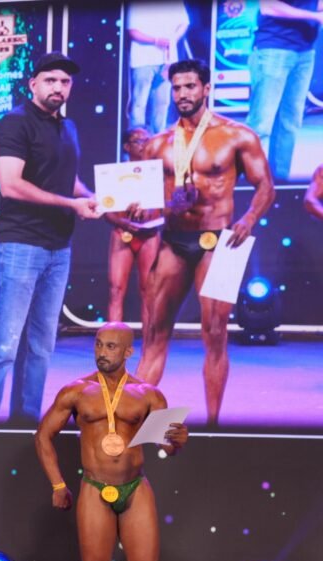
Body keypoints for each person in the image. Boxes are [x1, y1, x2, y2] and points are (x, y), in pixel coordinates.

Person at [35, 323, 189, 561]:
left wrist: (178, 441)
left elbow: (167, 446)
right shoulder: (76, 391)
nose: (102, 353)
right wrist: (58, 484)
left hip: (134, 489)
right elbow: (43, 436)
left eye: (111, 347)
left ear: (128, 352)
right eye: (99, 345)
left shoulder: (149, 395)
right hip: (94, 488)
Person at [135, 60, 274, 426]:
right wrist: (144, 207)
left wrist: (248, 219)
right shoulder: (157, 144)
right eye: (177, 88)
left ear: (206, 89)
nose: (182, 94)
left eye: (190, 87)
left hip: (221, 243)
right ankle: (132, 424)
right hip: (174, 240)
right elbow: (145, 200)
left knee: (214, 332)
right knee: (154, 332)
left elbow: (265, 186)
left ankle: (213, 426)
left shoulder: (236, 135)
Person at [0, 52, 100, 423]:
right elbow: (11, 185)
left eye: (65, 82)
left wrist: (95, 199)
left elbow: (68, 181)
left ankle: (25, 424)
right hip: (18, 246)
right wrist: (71, 204)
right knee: (4, 345)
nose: (58, 87)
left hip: (58, 249)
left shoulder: (67, 127)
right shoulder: (15, 123)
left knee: (41, 346)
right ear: (33, 85)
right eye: (50, 80)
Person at [245, 0, 323, 182]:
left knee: (290, 122)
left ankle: (280, 182)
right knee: (261, 123)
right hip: (274, 49)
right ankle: (251, 184)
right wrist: (315, 17)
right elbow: (268, 7)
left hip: (305, 51)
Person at [105, 127, 163, 325]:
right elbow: (107, 211)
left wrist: (152, 210)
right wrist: (121, 222)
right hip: (122, 233)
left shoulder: (158, 173)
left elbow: (170, 205)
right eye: (138, 141)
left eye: (147, 140)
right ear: (126, 147)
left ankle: (149, 345)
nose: (143, 144)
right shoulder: (114, 174)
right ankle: (113, 343)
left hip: (150, 235)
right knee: (116, 290)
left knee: (149, 291)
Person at [126, 1, 190, 134]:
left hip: (168, 61)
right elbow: (132, 31)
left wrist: (173, 39)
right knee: (139, 102)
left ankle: (158, 137)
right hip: (143, 60)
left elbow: (184, 22)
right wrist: (155, 41)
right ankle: (137, 138)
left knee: (162, 102)